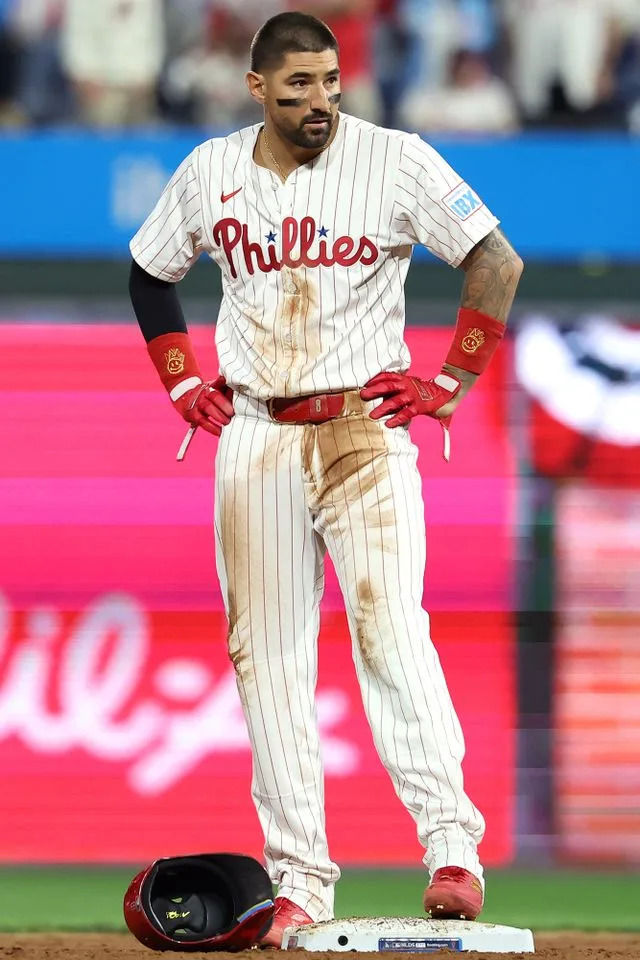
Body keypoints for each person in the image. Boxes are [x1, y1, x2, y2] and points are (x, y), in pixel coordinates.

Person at [128, 10, 523, 948]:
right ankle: (299, 877)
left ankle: (451, 848)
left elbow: (495, 261)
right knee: (267, 663)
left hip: (363, 429)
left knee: (390, 629)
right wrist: (181, 377)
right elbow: (151, 273)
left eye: (331, 83)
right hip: (257, 434)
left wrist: (452, 380)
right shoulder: (211, 171)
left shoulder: (395, 158)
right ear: (257, 88)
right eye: (298, 86)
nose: (320, 102)